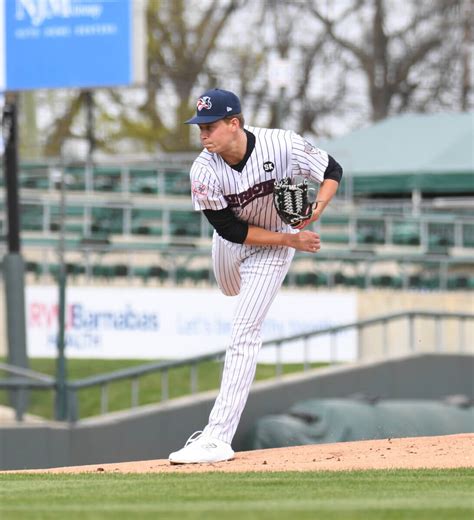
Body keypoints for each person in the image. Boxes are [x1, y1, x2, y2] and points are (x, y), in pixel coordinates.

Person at [168, 88, 343, 464]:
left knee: (244, 331)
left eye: (210, 126)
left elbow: (332, 170)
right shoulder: (203, 169)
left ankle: (217, 437)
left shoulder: (282, 145)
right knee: (230, 288)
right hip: (236, 243)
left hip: (273, 250)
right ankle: (246, 274)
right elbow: (229, 230)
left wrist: (315, 210)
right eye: (200, 127)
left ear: (234, 123)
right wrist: (291, 237)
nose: (203, 134)